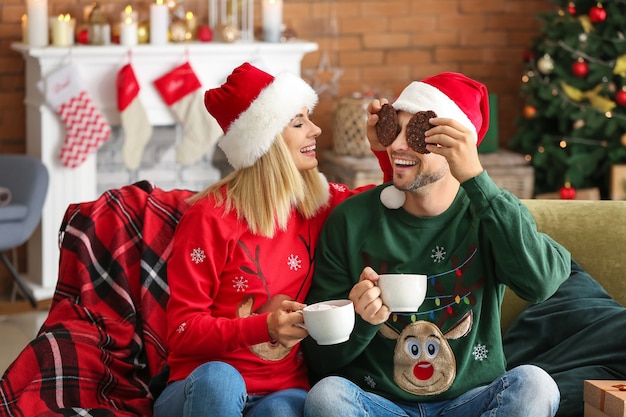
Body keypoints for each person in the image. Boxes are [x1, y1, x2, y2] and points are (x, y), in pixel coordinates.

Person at [302, 72, 572, 417]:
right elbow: (320, 361)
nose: (397, 145)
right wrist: (361, 319)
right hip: (379, 404)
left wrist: (476, 179)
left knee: (536, 385)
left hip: (472, 402)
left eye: (416, 134)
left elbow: (541, 283)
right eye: (393, 130)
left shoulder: (489, 214)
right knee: (327, 396)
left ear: (456, 148)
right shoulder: (351, 220)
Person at [152, 62, 391, 417]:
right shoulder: (209, 216)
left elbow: (386, 203)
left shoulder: (318, 205)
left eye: (308, 118)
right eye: (298, 123)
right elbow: (183, 330)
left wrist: (383, 153)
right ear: (266, 143)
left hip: (282, 389)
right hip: (199, 388)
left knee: (283, 411)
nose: (316, 129)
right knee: (221, 379)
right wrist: (263, 326)